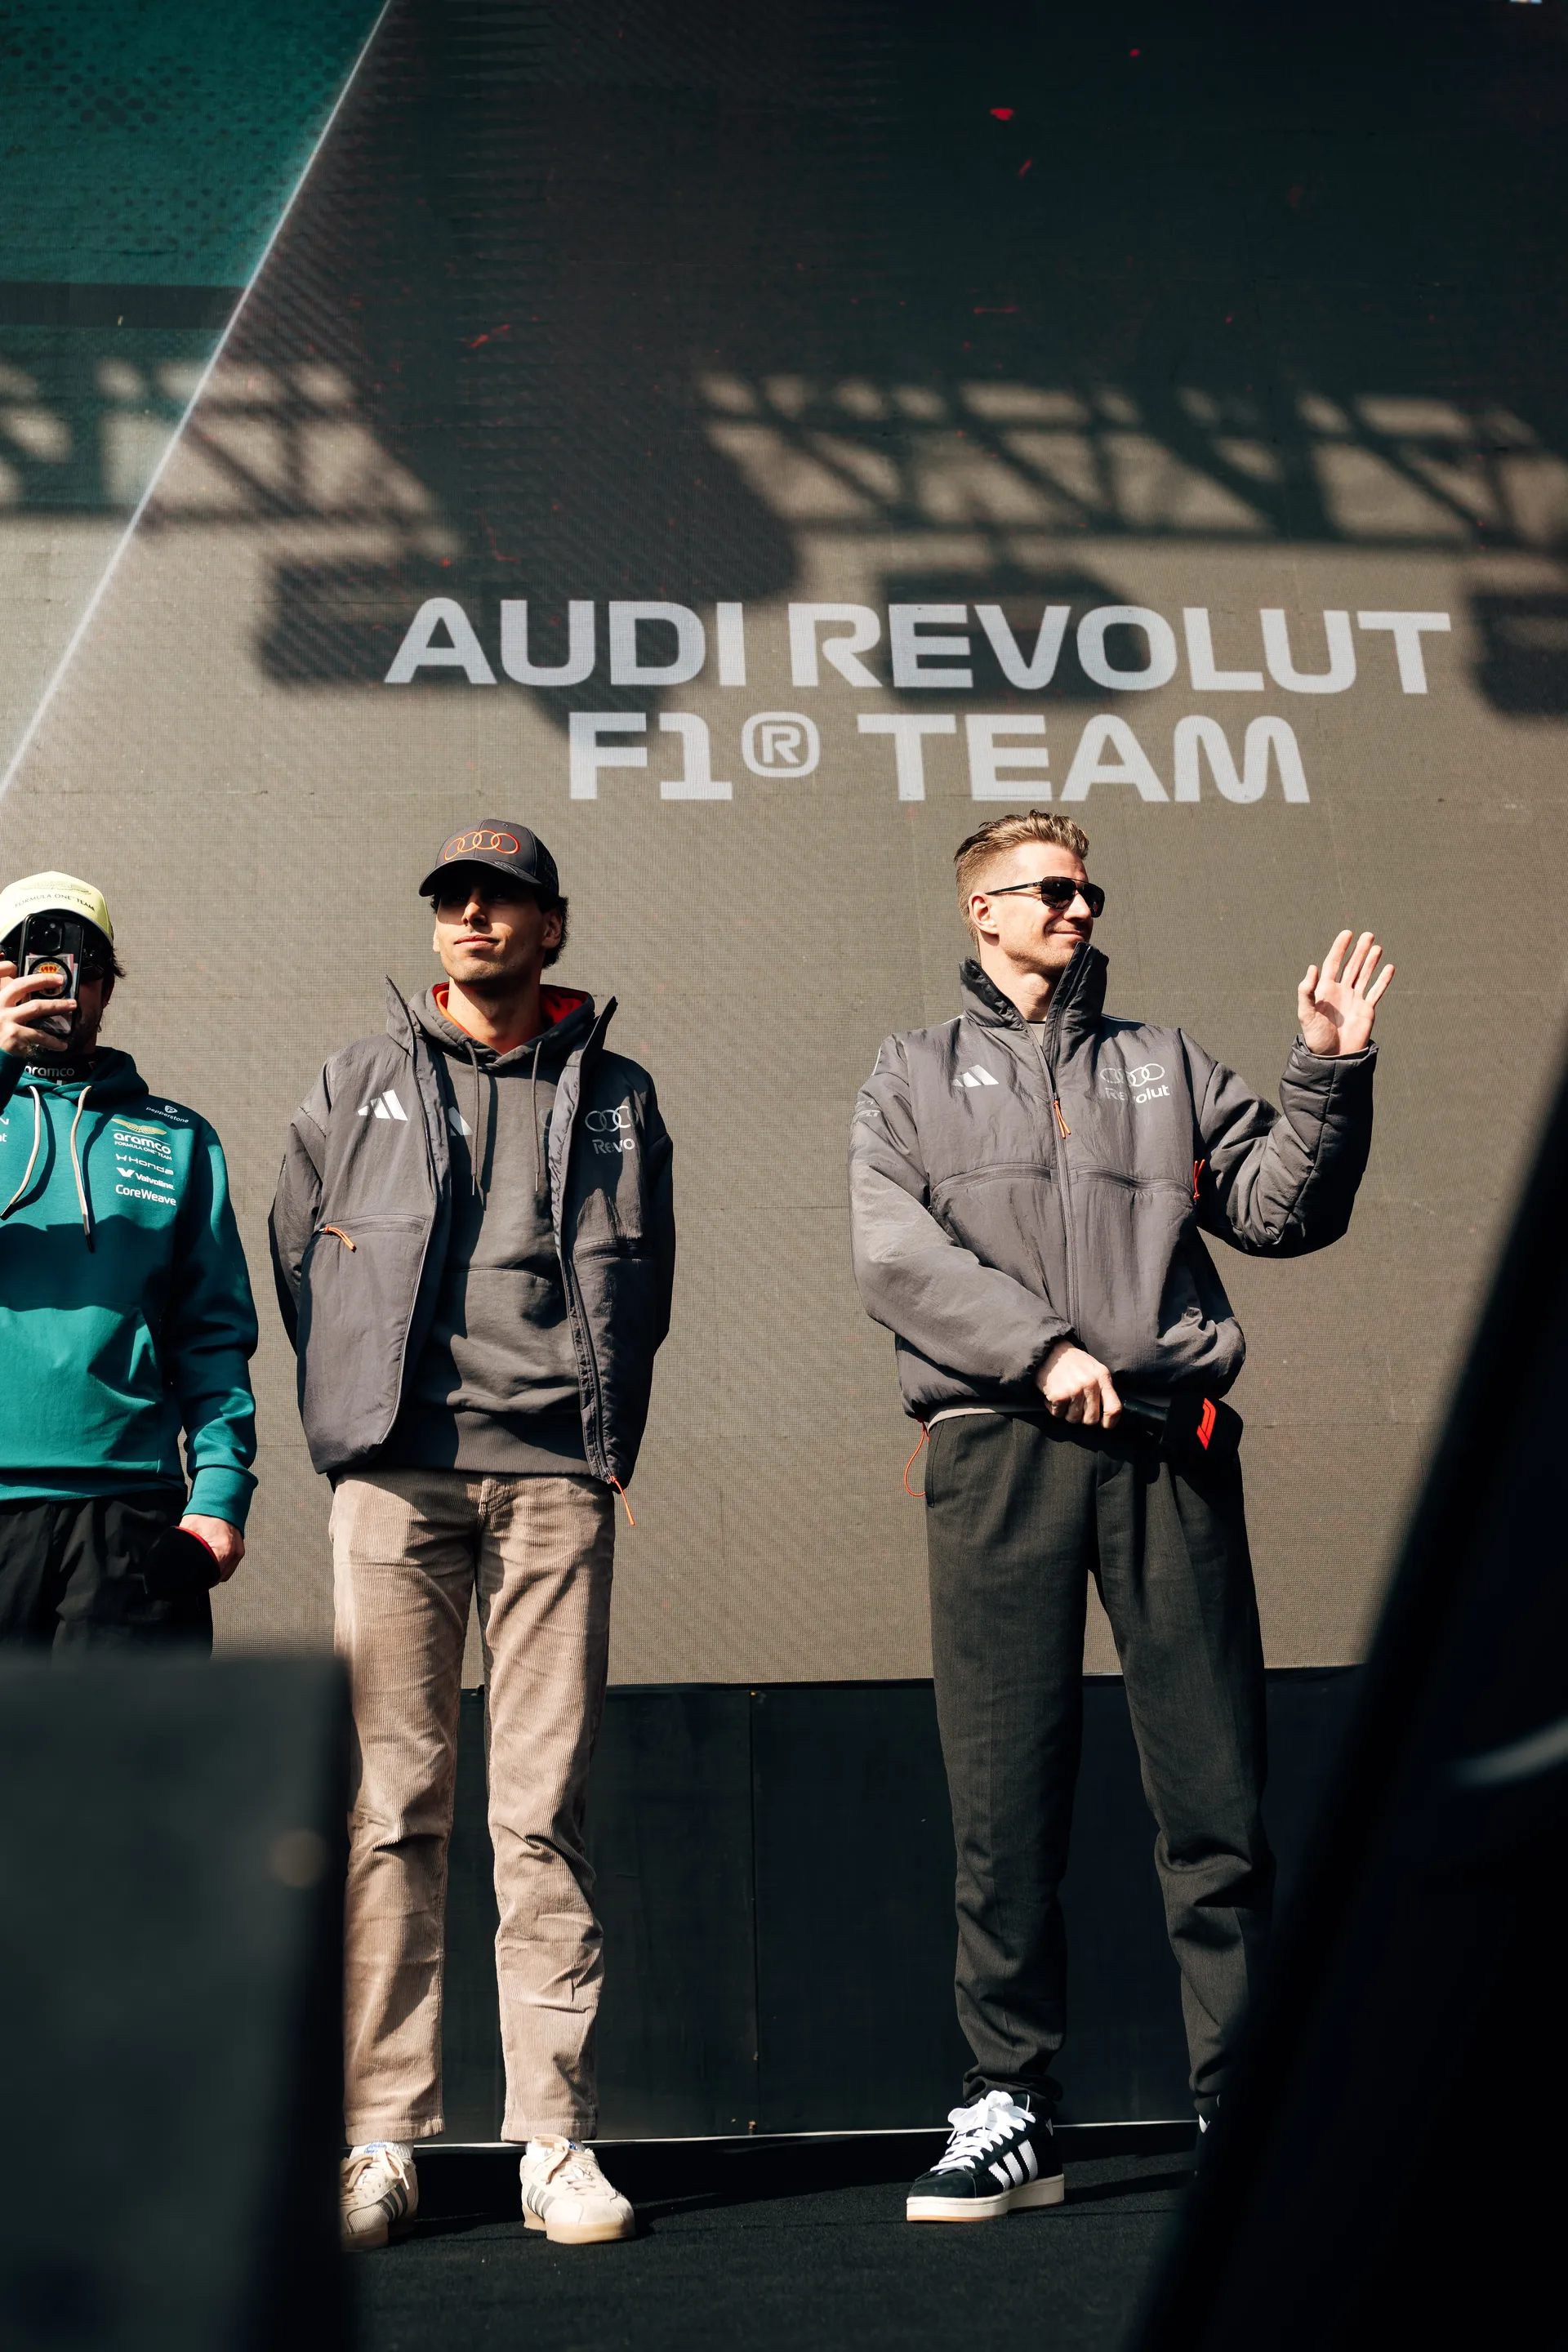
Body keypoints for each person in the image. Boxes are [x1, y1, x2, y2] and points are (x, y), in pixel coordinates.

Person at [848, 809, 1392, 2222]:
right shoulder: (912, 1073)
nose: (1081, 910)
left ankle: (1246, 2097)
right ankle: (1010, 2104)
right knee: (1002, 1797)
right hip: (996, 1449)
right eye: (1052, 891)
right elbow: (893, 1250)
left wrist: (1326, 1073)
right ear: (984, 911)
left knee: (1214, 1792)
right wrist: (1040, 1348)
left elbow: (1281, 1211)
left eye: (1088, 891)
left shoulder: (1163, 1065)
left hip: (1167, 1449)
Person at [270, 820, 675, 2252]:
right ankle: (382, 2140)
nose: (473, 921)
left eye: (501, 902)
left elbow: (647, 1278)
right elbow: (298, 1258)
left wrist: (596, 1430)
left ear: (552, 929)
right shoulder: (358, 1079)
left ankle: (552, 2142)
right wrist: (364, 1419)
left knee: (541, 1813)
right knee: (388, 1809)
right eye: (453, 902)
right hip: (398, 1480)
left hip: (558, 1475)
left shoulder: (618, 1091)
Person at [0, 871, 256, 1650]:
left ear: (105, 985)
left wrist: (218, 1495)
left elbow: (211, 1335)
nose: (52, 977)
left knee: (120, 1773)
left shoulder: (177, 1136)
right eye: (21, 958)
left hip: (130, 1514)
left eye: (75, 959)